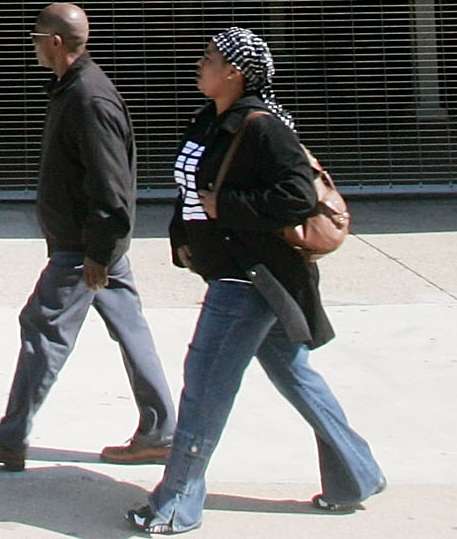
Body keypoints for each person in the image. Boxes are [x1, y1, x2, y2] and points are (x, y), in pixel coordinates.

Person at [130, 26, 384, 531]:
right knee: (295, 375)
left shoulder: (264, 128)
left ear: (235, 72)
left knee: (204, 382)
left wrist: (225, 208)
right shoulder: (210, 119)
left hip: (253, 275)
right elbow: (190, 190)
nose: (199, 65)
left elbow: (296, 196)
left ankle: (177, 502)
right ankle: (357, 473)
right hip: (230, 268)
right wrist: (185, 237)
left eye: (209, 58)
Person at [0, 2, 173, 472]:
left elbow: (111, 185)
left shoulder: (89, 99)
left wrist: (99, 252)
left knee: (42, 329)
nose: (31, 44)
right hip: (92, 246)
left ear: (55, 41)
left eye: (36, 36)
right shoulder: (73, 90)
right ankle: (161, 431)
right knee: (131, 331)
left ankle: (10, 437)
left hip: (82, 250)